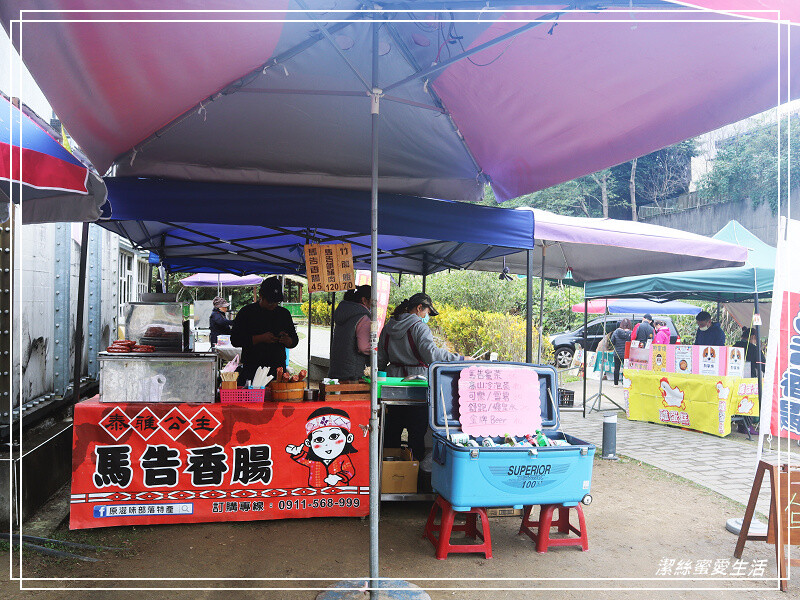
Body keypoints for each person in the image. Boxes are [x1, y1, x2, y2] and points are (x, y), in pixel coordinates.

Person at [378, 293, 470, 462]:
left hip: (391, 387)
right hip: (417, 385)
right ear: (419, 308)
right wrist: (460, 359)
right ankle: (415, 472)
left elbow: (380, 360)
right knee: (416, 433)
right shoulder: (419, 327)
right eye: (427, 312)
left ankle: (387, 471)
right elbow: (432, 355)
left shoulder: (388, 327)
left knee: (391, 431)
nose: (427, 317)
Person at [231, 276, 299, 384]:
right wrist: (260, 338)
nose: (273, 305)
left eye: (276, 302)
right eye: (270, 302)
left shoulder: (284, 314)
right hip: (252, 369)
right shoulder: (247, 312)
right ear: (261, 296)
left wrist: (288, 341)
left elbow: (294, 339)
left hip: (277, 370)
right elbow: (235, 340)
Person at [328, 285, 372, 381]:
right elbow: (363, 347)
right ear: (364, 300)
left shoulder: (343, 311)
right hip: (353, 373)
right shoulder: (363, 317)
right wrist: (376, 349)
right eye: (373, 301)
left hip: (337, 368)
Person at [610, 318, 632, 386]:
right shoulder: (631, 333)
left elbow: (612, 341)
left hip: (617, 353)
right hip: (627, 354)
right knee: (626, 368)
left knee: (617, 368)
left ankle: (615, 384)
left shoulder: (616, 331)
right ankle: (624, 383)